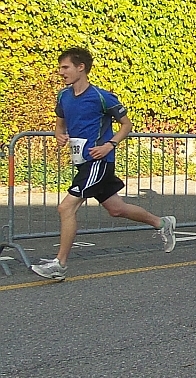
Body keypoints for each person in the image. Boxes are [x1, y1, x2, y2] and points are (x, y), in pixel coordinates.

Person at [31, 48, 176, 281]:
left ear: (81, 67)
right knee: (116, 208)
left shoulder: (101, 96)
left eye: (65, 67)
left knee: (66, 208)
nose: (61, 72)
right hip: (82, 162)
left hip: (98, 161)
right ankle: (162, 223)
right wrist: (59, 134)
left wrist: (110, 145)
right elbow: (60, 124)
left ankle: (59, 265)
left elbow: (126, 125)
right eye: (60, 68)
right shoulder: (63, 96)